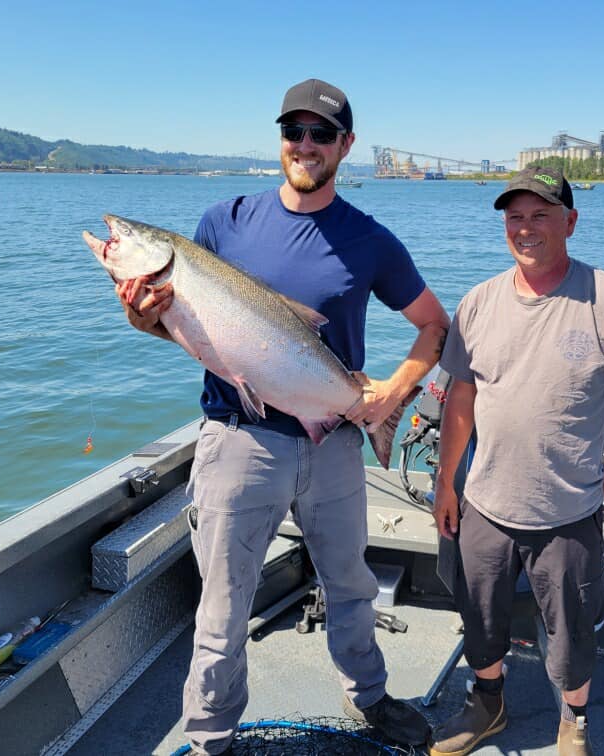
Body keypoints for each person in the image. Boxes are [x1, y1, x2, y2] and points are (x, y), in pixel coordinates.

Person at [115, 78, 449, 755]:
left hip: (331, 447)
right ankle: (209, 737)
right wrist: (138, 313)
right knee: (222, 606)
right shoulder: (222, 224)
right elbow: (188, 335)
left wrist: (391, 396)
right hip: (238, 444)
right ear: (280, 141)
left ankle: (372, 698)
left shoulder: (371, 241)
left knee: (351, 583)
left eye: (321, 134)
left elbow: (434, 327)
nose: (305, 145)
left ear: (345, 146)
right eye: (293, 132)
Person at [429, 167, 604, 755]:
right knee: (480, 617)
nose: (525, 229)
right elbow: (461, 399)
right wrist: (447, 483)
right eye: (515, 217)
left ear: (570, 222)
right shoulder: (477, 303)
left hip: (569, 512)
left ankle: (573, 721)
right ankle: (488, 701)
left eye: (540, 215)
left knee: (573, 633)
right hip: (484, 503)